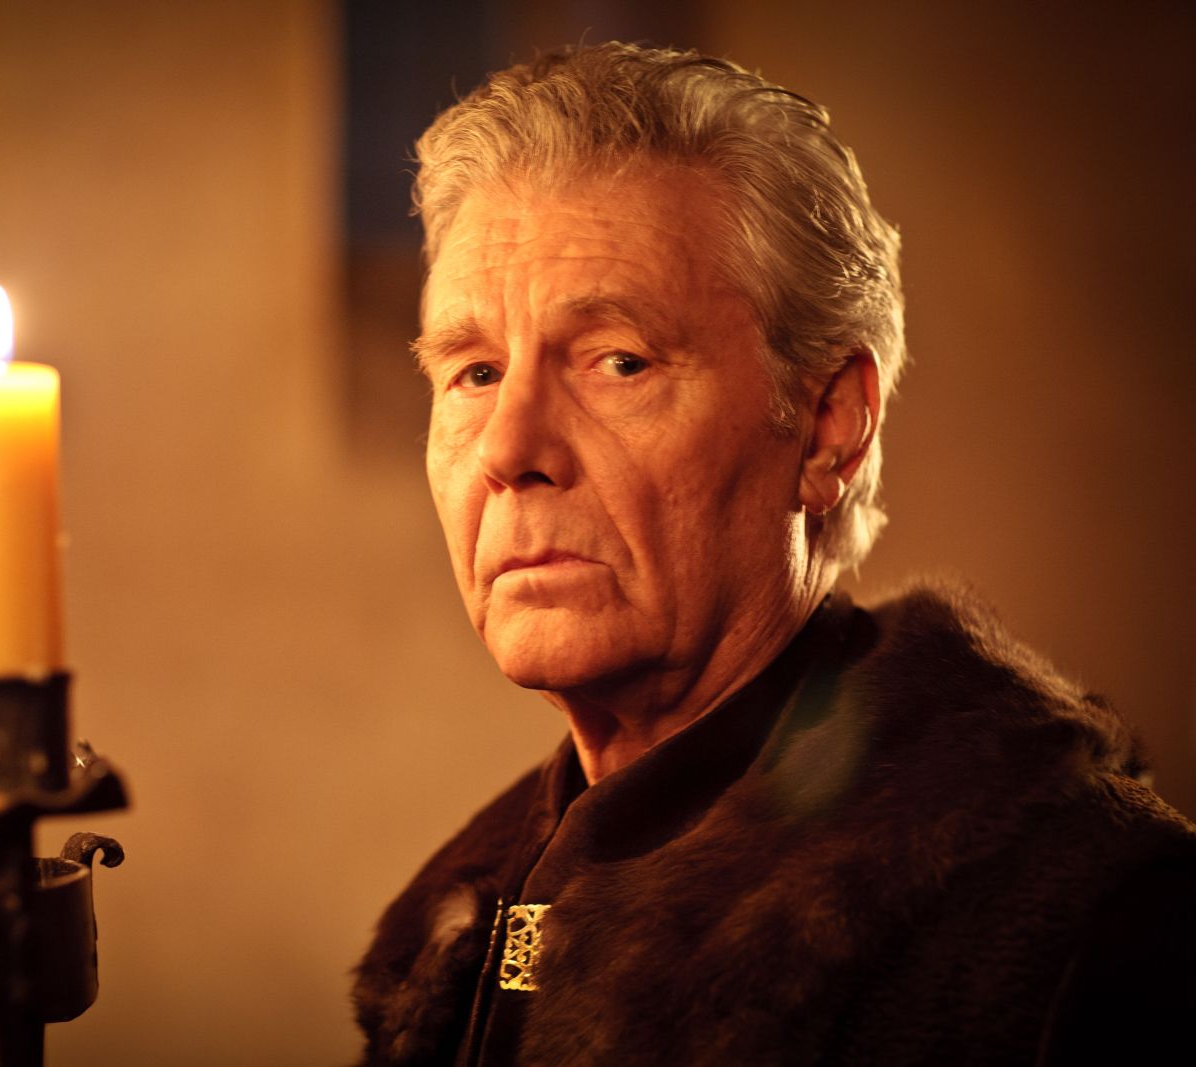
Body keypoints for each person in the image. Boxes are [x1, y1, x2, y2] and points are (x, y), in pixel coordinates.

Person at [352, 43, 1196, 1066]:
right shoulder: (455, 933)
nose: (509, 449)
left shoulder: (1096, 927)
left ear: (830, 426)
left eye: (619, 361)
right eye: (475, 373)